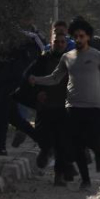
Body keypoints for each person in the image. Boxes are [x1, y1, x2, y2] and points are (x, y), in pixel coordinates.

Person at [29, 18, 100, 190]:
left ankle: (99, 152)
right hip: (73, 106)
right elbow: (55, 78)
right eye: (75, 36)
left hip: (94, 106)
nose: (78, 39)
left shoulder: (98, 56)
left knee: (92, 138)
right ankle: (85, 180)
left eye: (81, 36)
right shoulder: (67, 57)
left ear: (88, 37)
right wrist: (36, 79)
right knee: (77, 144)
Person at [26, 34, 72, 186]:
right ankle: (46, 150)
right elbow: (29, 77)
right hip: (45, 107)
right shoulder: (43, 60)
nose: (59, 44)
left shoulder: (72, 61)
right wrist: (37, 92)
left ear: (66, 44)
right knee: (44, 137)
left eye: (62, 42)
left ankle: (59, 176)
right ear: (51, 43)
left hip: (64, 107)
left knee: (62, 143)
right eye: (56, 42)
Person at [0, 21, 43, 155]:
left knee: (1, 113)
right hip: (3, 81)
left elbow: (40, 49)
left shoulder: (28, 39)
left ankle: (0, 147)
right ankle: (42, 139)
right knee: (13, 117)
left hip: (14, 82)